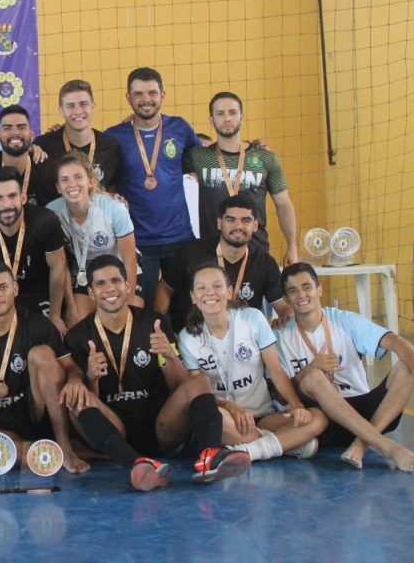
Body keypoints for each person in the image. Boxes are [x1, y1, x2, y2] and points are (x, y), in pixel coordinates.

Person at [61, 255, 251, 491]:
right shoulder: (78, 335)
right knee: (76, 402)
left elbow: (180, 385)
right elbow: (91, 405)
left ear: (127, 286)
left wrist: (169, 357)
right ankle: (137, 465)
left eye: (115, 281)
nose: (109, 288)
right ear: (91, 292)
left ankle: (210, 454)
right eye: (100, 284)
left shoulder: (153, 323)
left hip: (160, 425)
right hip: (115, 427)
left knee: (200, 380)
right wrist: (91, 378)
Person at [178, 265, 326, 462]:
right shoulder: (188, 337)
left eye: (217, 286)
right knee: (212, 422)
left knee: (316, 417)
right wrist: (231, 407)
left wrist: (297, 405)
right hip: (225, 417)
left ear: (229, 292)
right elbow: (198, 393)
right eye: (201, 288)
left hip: (263, 417)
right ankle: (286, 444)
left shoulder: (252, 318)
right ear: (193, 297)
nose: (209, 293)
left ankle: (246, 451)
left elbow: (276, 370)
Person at [276, 263, 414, 471]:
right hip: (323, 421)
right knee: (313, 377)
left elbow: (395, 341)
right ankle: (389, 448)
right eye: (292, 291)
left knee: (406, 367)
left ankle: (361, 443)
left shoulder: (343, 320)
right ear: (286, 300)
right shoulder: (281, 336)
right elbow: (280, 396)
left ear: (319, 290)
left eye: (307, 287)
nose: (301, 295)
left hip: (365, 413)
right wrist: (309, 369)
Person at [0, 261, 87, 473]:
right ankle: (41, 453)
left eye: (3, 287)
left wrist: (75, 380)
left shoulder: (38, 325)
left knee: (41, 354)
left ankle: (64, 446)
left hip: (34, 413)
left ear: (15, 288)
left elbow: (71, 368)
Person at [104, 67, 200, 307]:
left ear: (163, 95)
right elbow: (95, 177)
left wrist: (250, 147)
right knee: (141, 307)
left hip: (180, 237)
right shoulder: (113, 136)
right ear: (128, 98)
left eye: (152, 93)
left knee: (185, 308)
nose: (146, 99)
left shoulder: (180, 128)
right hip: (138, 241)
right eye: (138, 94)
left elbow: (208, 157)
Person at [185, 92, 299, 265]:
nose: (227, 118)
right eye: (220, 113)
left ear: (242, 117)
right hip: (211, 253)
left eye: (232, 112)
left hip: (255, 251)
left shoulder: (265, 158)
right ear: (211, 120)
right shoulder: (197, 157)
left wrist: (292, 246)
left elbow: (283, 205)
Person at [155, 194, 289, 332]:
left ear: (255, 225)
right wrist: (162, 328)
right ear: (219, 223)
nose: (238, 226)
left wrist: (286, 318)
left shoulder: (264, 262)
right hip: (193, 336)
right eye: (230, 220)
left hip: (241, 344)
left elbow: (283, 307)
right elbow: (165, 289)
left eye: (246, 220)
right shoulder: (191, 252)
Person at [0, 167, 67, 333]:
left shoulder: (45, 222)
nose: (6, 205)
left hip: (33, 294)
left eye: (12, 196)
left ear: (23, 197)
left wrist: (55, 315)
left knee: (51, 339)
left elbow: (58, 267)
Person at [47, 150, 140, 327]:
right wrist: (71, 308)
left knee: (130, 319)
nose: (72, 184)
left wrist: (127, 302)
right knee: (78, 322)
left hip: (119, 270)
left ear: (90, 181)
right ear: (58, 187)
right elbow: (61, 265)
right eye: (65, 179)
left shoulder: (113, 209)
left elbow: (130, 259)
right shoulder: (52, 213)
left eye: (78, 177)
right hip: (84, 272)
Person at [0, 105, 58, 211]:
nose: (15, 133)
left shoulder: (51, 171)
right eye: (7, 128)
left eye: (21, 127)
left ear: (31, 134)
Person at [33, 79, 122, 191]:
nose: (78, 111)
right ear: (61, 110)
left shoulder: (110, 146)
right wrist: (28, 149)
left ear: (93, 106)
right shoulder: (44, 147)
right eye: (70, 106)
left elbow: (114, 189)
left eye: (83, 104)